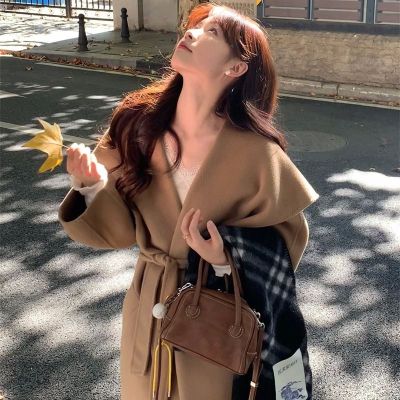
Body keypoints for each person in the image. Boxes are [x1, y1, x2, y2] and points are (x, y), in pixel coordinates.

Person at [58, 3, 319, 399]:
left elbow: (286, 246)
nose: (192, 33)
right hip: (147, 311)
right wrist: (90, 187)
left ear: (236, 67)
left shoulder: (256, 152)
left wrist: (224, 258)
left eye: (213, 32)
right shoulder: (136, 124)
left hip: (215, 323)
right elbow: (118, 232)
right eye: (195, 26)